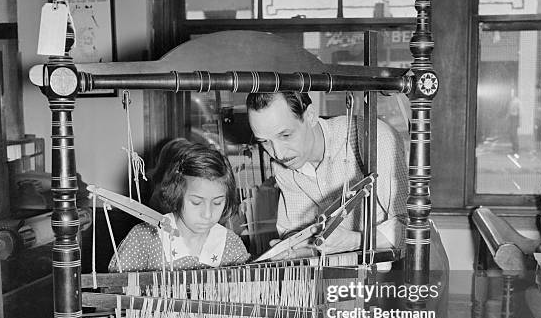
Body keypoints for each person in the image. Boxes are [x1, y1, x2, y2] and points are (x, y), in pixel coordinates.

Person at [246, 91, 408, 259]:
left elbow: (412, 227)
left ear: (310, 116)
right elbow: (297, 231)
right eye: (264, 141)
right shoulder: (285, 165)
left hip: (409, 272)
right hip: (348, 277)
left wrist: (354, 241)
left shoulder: (373, 138)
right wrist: (295, 246)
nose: (278, 154)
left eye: (286, 135)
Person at [108, 139, 250, 272]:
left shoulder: (230, 245)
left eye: (217, 203)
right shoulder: (144, 239)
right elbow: (115, 291)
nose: (207, 214)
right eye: (196, 202)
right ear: (177, 194)